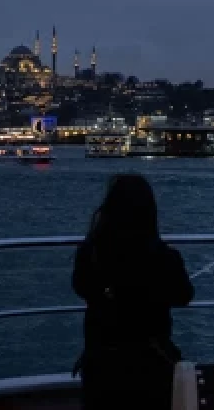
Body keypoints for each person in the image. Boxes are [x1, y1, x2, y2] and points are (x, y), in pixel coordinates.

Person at [72, 173, 195, 410]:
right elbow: (184, 295)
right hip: (151, 363)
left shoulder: (91, 253)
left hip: (102, 363)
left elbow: (80, 287)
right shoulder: (164, 257)